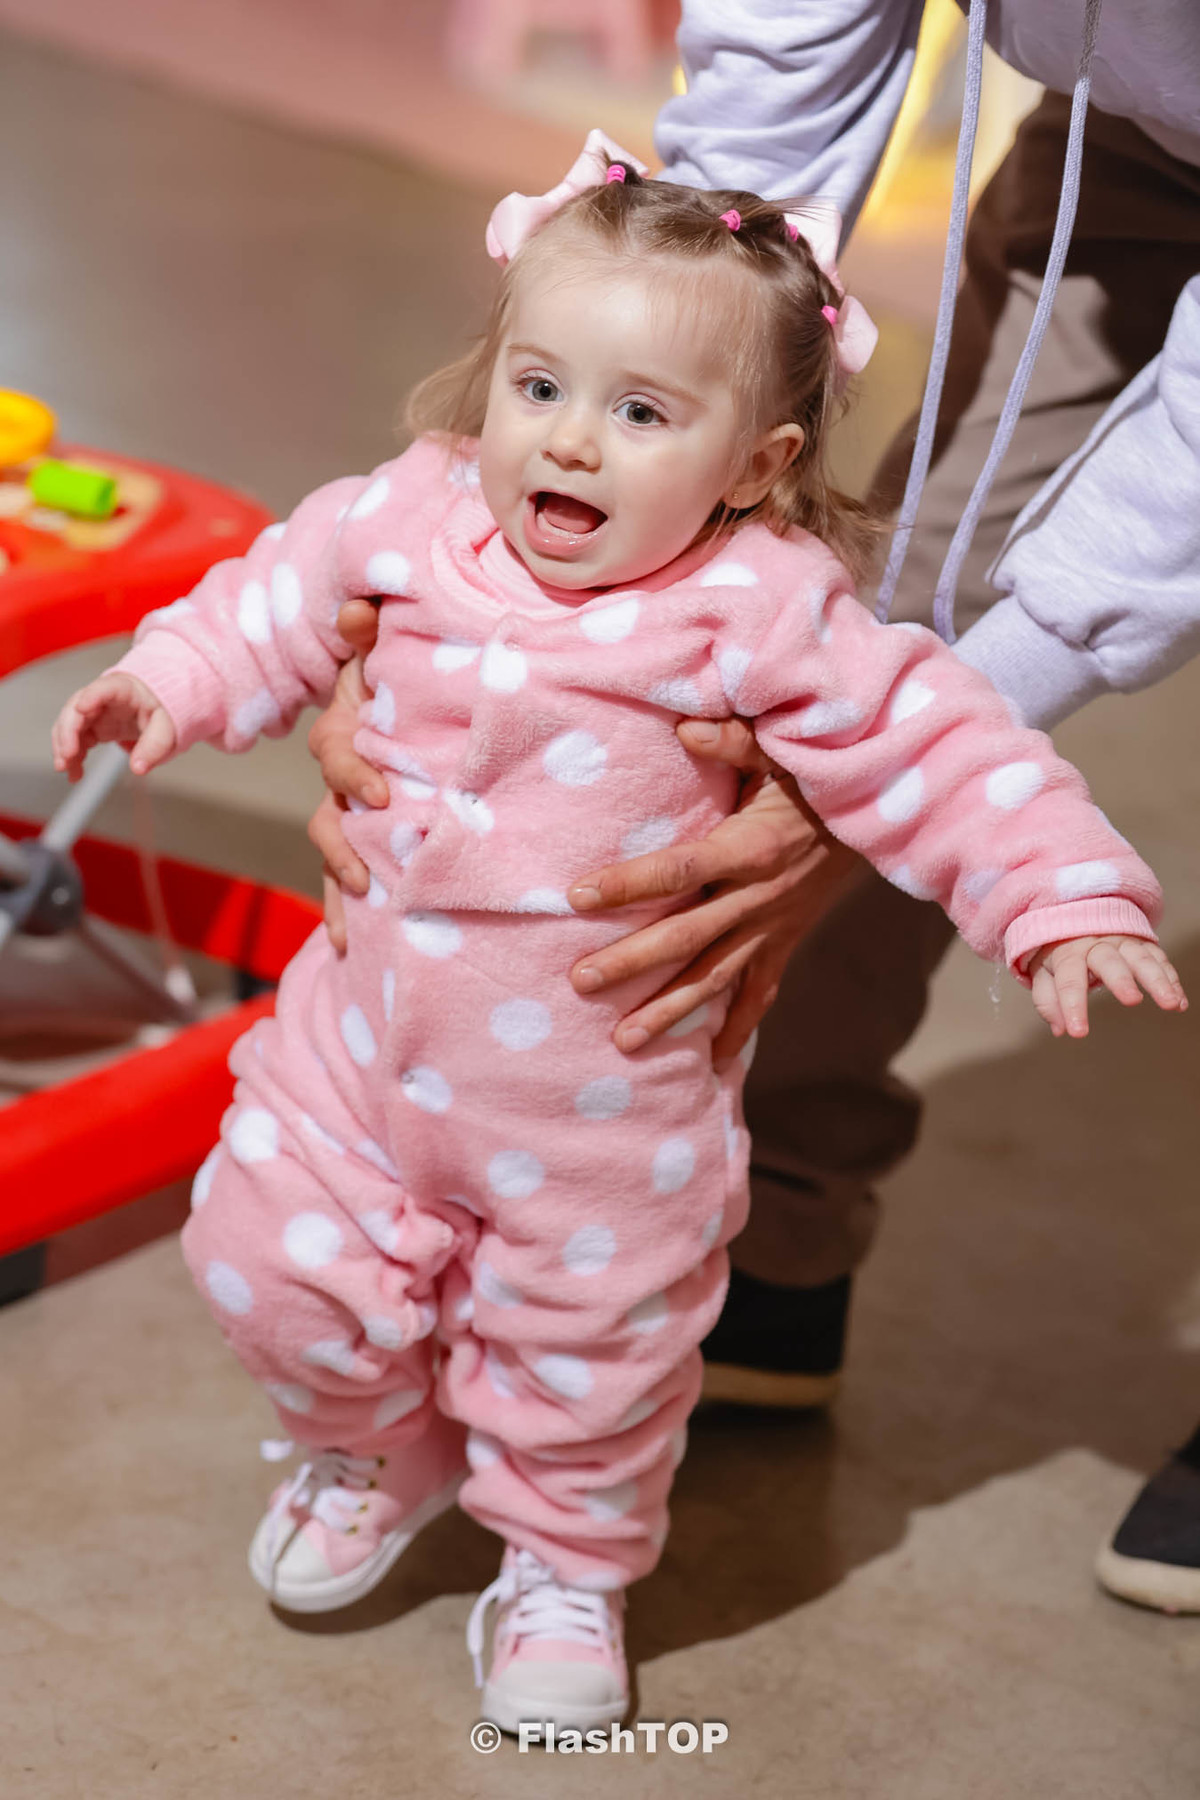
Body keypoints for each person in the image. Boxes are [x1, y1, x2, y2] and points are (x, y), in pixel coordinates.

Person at [51, 142, 1184, 1732]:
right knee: (259, 1263)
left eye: (641, 413)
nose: (567, 439)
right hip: (357, 1055)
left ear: (753, 464)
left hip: (601, 1109)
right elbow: (272, 600)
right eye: (539, 387)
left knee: (592, 1367)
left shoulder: (761, 606)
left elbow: (942, 746)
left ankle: (567, 1565)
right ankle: (377, 1437)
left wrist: (1059, 889)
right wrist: (168, 685)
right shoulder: (416, 513)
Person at [311, 2, 1200, 1416]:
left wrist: (895, 762)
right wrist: (396, 611)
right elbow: (739, 195)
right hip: (1127, 135)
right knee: (880, 617)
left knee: (890, 706)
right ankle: (764, 1231)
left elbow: (950, 719)